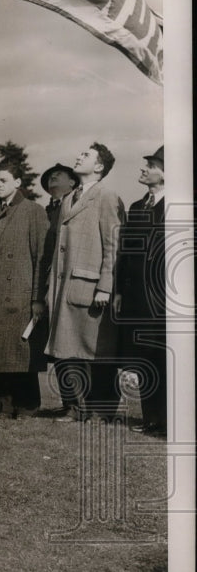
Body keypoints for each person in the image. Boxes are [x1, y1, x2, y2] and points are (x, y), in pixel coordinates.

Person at [44, 143, 124, 420]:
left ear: (99, 167)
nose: (78, 156)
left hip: (90, 287)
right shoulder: (68, 199)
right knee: (67, 349)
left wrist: (105, 285)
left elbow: (113, 245)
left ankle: (102, 411)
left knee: (96, 350)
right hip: (63, 287)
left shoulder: (107, 196)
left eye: (86, 155)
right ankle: (75, 407)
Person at [0, 165, 50, 418]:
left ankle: (27, 404)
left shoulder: (33, 211)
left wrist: (38, 298)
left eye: (3, 180)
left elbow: (41, 257)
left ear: (17, 182)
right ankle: (4, 404)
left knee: (21, 350)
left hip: (21, 294)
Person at [115, 145, 166, 436]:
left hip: (161, 299)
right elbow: (126, 252)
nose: (144, 169)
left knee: (161, 356)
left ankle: (167, 421)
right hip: (135, 298)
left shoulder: (177, 205)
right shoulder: (136, 207)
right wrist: (120, 291)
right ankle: (152, 420)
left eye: (152, 165)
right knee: (144, 357)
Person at [40, 162, 80, 274]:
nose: (53, 176)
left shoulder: (78, 207)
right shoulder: (44, 212)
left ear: (72, 182)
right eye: (50, 176)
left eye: (58, 173)